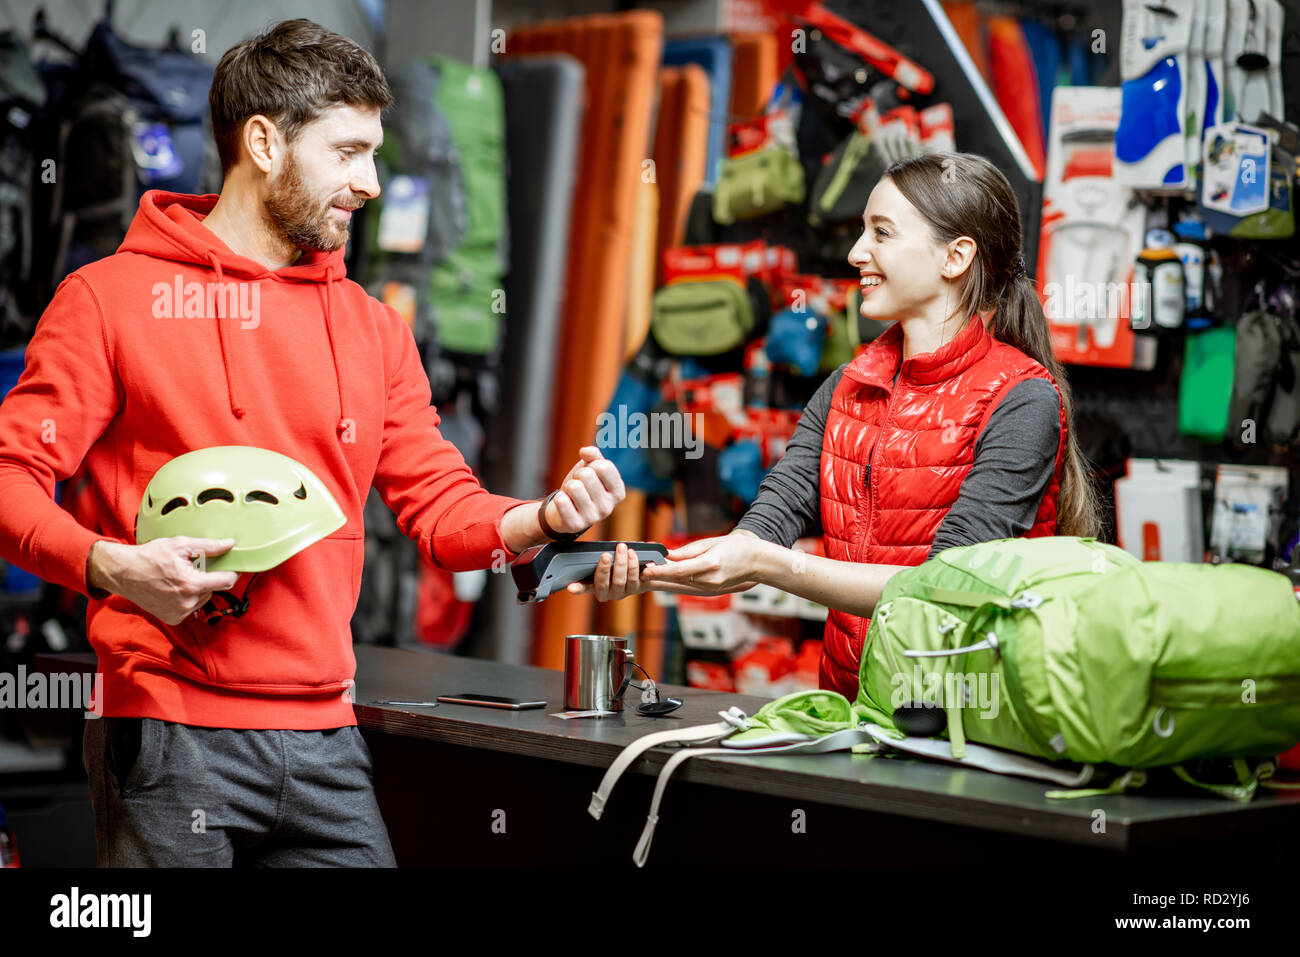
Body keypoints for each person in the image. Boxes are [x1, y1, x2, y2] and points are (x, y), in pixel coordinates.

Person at [0, 19, 625, 866]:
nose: (370, 182)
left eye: (376, 153)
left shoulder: (373, 330)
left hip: (326, 733)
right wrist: (111, 565)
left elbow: (441, 509)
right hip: (169, 727)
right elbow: (11, 481)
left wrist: (543, 518)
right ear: (263, 141)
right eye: (348, 151)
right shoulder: (109, 300)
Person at [576, 152, 1098, 698]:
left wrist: (772, 565)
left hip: (974, 723)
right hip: (858, 710)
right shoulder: (845, 386)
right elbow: (766, 526)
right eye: (861, 231)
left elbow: (946, 588)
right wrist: (655, 569)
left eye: (882, 233)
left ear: (955, 256)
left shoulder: (1022, 399)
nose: (856, 253)